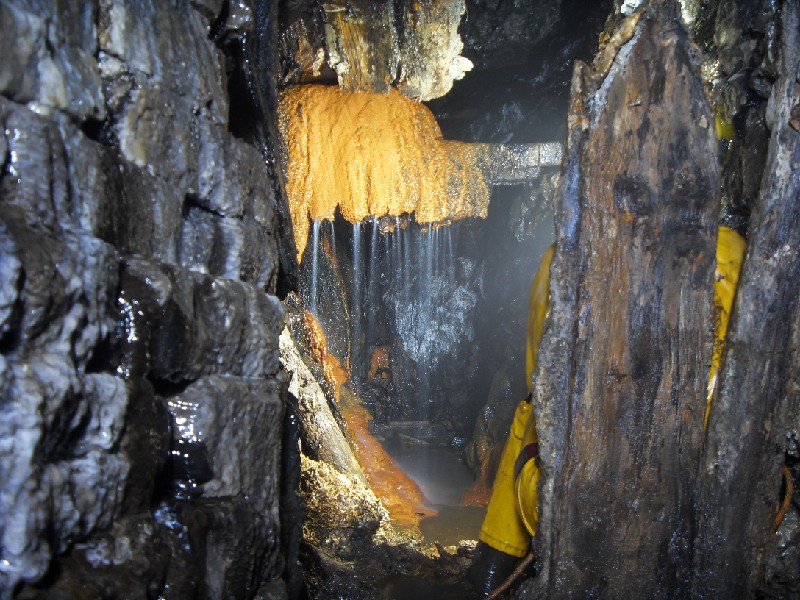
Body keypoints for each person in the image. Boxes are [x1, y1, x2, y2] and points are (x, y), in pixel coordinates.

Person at [468, 227, 746, 595]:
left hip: (551, 498)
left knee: (531, 415)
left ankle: (493, 564)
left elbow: (539, 397)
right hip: (680, 511)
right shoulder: (727, 257)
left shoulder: (559, 258)